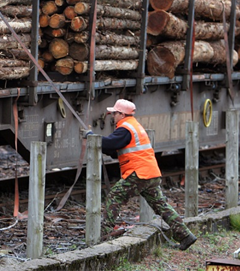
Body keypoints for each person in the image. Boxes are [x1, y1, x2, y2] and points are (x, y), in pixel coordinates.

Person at [83, 98, 197, 250]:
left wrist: (91, 136)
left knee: (115, 196)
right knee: (160, 205)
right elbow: (115, 150)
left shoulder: (125, 128)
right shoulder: (134, 126)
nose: (112, 116)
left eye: (114, 113)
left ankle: (102, 235)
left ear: (121, 114)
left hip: (139, 173)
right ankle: (186, 235)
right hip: (150, 173)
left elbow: (110, 143)